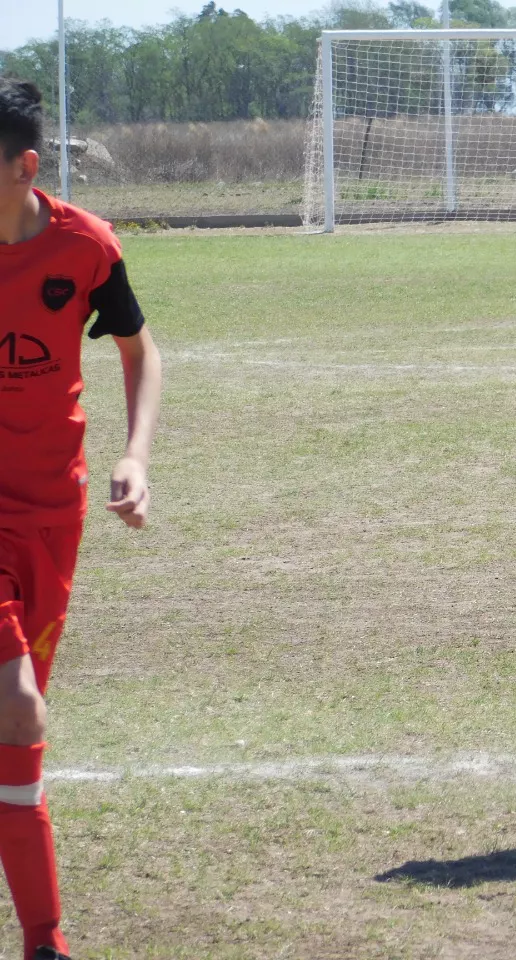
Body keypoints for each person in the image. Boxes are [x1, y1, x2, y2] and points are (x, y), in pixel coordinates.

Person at [0, 79, 162, 960]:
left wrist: (134, 456)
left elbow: (140, 350)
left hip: (54, 514)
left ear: (27, 167)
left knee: (11, 728)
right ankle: (46, 942)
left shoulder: (85, 247)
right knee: (17, 710)